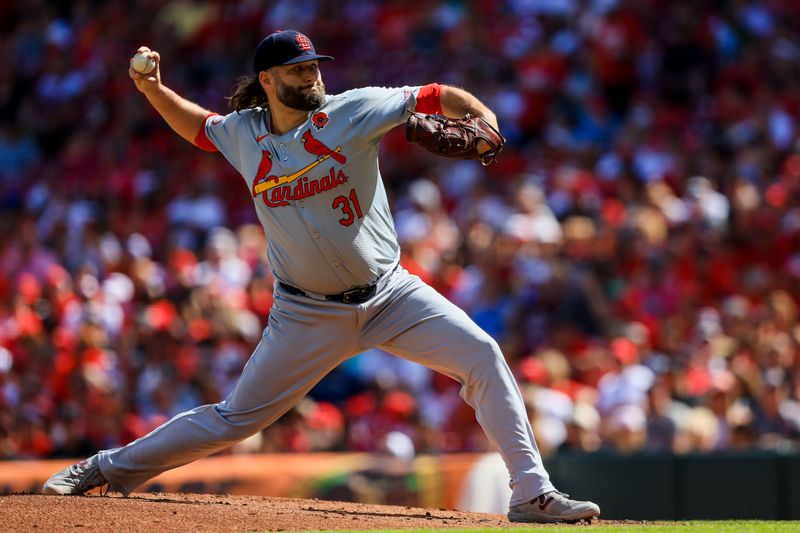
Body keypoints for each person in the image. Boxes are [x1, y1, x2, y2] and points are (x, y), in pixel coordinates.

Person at [41, 30, 600, 523]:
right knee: (235, 420)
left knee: (482, 355)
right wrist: (152, 91)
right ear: (267, 79)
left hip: (390, 293)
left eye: (314, 66)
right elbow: (200, 129)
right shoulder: (245, 133)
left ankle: (533, 493)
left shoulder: (354, 109)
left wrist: (487, 122)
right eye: (298, 69)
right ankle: (103, 469)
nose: (312, 76)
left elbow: (439, 95)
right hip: (306, 312)